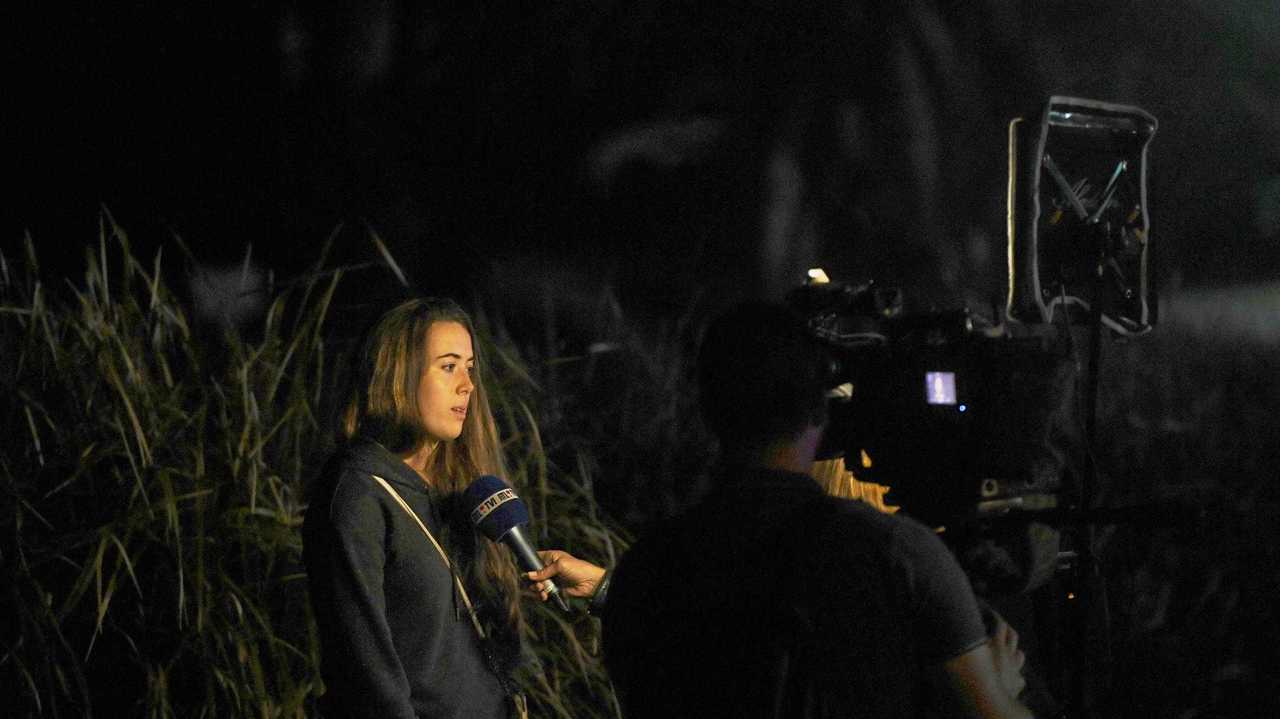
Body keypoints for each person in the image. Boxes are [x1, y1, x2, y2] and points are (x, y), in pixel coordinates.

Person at [528, 302, 1032, 718]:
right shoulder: (896, 556)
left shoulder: (647, 570)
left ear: (705, 412)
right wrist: (1001, 690)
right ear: (821, 410)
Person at [303, 297, 527, 719]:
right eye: (448, 366)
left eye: (470, 368)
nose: (467, 385)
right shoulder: (358, 497)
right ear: (398, 376)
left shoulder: (451, 493)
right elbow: (366, 676)